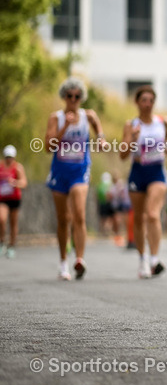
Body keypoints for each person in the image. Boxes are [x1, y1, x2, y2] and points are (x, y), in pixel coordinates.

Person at [46, 77, 110, 280]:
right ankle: (63, 262)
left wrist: (101, 140)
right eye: (69, 96)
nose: (73, 99)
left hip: (80, 171)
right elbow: (49, 146)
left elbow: (99, 130)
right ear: (64, 97)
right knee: (63, 219)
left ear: (82, 98)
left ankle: (79, 259)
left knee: (79, 215)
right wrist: (65, 126)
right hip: (59, 172)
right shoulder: (55, 118)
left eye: (77, 96)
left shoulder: (88, 115)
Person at [121, 85, 167, 279]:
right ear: (137, 102)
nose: (148, 104)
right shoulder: (131, 124)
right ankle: (143, 258)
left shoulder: (162, 122)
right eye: (144, 100)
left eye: (151, 100)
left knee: (152, 214)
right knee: (140, 217)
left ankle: (155, 259)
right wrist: (133, 139)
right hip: (138, 171)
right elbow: (123, 154)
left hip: (157, 172)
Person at [0, 145, 26, 258]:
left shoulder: (18, 168)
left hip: (14, 198)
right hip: (3, 199)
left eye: (10, 157)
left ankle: (11, 246)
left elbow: (24, 182)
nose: (8, 159)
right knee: (2, 219)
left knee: (13, 223)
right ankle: (2, 242)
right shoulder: (0, 166)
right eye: (7, 157)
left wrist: (15, 183)